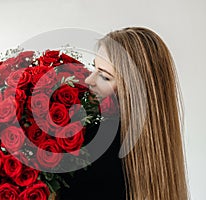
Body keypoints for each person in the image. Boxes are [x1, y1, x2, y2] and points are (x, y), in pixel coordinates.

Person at [58, 27, 189, 200]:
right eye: (94, 68)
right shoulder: (158, 154)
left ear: (133, 91)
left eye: (104, 76)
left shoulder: (94, 147)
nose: (89, 80)